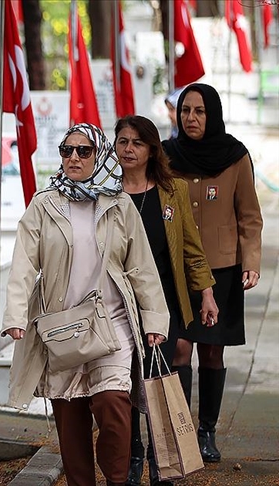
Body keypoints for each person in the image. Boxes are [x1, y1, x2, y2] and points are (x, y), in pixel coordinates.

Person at [3, 123, 169, 486]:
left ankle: (117, 479)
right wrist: (16, 316)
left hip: (112, 324)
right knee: (71, 420)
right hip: (61, 328)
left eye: (83, 151)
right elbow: (23, 264)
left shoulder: (119, 204)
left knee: (114, 406)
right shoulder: (44, 204)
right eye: (67, 150)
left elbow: (141, 266)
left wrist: (155, 318)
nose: (74, 157)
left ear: (100, 154)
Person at [114, 115, 219, 486]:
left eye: (136, 143)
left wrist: (206, 293)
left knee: (159, 374)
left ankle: (164, 458)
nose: (128, 149)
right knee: (125, 376)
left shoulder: (171, 190)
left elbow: (191, 249)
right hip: (118, 301)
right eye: (122, 141)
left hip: (165, 300)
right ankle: (132, 452)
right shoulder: (107, 193)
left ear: (151, 150)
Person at [162, 83, 263, 464]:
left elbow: (250, 216)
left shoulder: (235, 156)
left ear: (213, 114)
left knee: (211, 351)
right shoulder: (167, 156)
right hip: (177, 269)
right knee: (179, 349)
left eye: (200, 111)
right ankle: (180, 429)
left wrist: (251, 262)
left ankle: (207, 431)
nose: (191, 118)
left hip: (222, 269)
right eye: (186, 110)